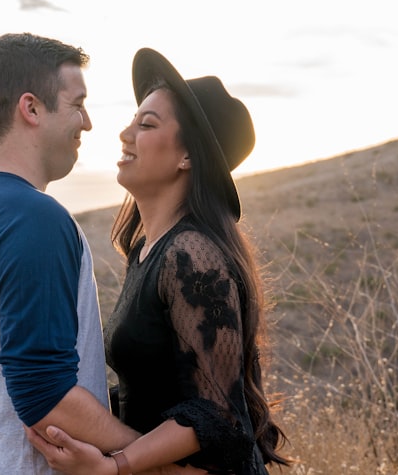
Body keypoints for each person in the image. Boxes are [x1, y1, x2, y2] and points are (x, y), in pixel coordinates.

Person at [26, 48, 290, 474]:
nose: (124, 133)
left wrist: (115, 466)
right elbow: (150, 390)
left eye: (146, 124)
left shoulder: (193, 256)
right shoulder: (149, 251)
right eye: (133, 119)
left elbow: (218, 412)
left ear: (188, 157)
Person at [0, 33, 149, 474]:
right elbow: (45, 396)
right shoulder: (31, 217)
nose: (87, 122)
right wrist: (147, 454)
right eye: (77, 103)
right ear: (31, 108)